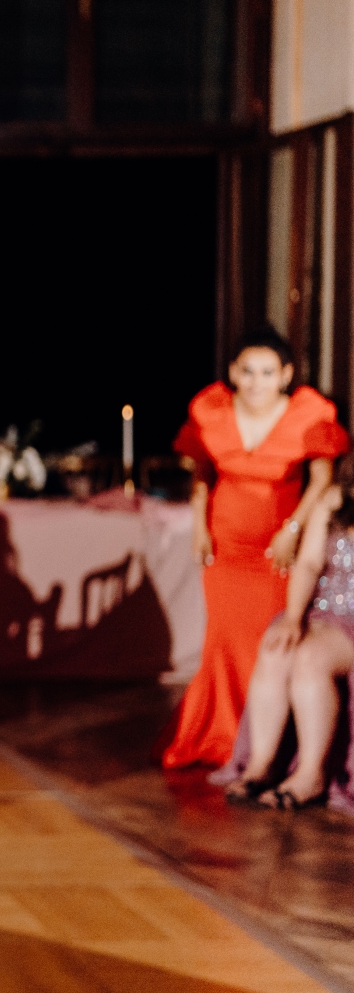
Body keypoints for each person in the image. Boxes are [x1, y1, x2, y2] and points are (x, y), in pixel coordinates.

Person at [163, 326, 346, 769]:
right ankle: (221, 737)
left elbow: (321, 480)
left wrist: (293, 528)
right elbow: (202, 473)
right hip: (225, 543)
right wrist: (199, 526)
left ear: (285, 375)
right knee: (223, 642)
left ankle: (268, 745)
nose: (256, 381)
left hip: (277, 547)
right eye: (248, 371)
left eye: (267, 372)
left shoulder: (308, 413)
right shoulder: (212, 410)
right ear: (233, 372)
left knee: (267, 641)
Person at [221, 455, 354, 812]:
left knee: (311, 657)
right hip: (324, 609)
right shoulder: (335, 497)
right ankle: (261, 765)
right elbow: (309, 563)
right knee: (277, 647)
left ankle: (311, 775)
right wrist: (294, 618)